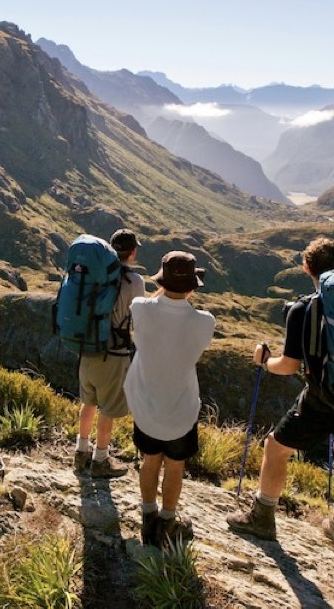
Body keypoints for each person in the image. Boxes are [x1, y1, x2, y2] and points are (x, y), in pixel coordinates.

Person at [226, 236, 334, 552]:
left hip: (322, 396)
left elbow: (288, 366)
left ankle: (262, 517)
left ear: (306, 268)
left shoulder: (304, 309)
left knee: (274, 448)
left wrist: (263, 361)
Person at [124, 250, 215, 547]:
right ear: (192, 287)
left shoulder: (140, 308)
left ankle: (148, 515)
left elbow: (145, 304)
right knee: (175, 465)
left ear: (161, 282)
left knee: (150, 460)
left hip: (147, 405)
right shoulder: (205, 321)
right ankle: (167, 519)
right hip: (181, 409)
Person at [74, 229, 146, 478]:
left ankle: (81, 452)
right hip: (114, 354)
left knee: (88, 401)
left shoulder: (95, 274)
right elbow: (140, 317)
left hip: (87, 347)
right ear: (133, 252)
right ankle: (101, 460)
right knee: (108, 408)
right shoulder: (134, 281)